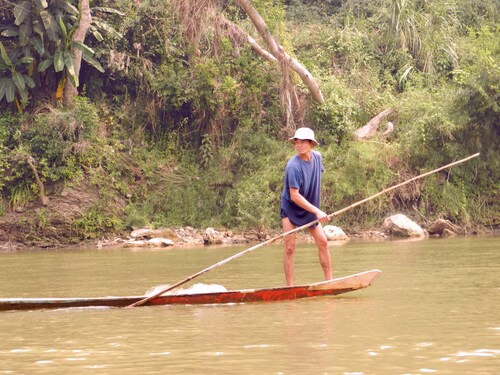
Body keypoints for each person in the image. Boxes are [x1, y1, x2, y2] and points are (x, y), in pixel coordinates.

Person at [280, 127, 332, 286]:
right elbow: (294, 196)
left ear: (311, 144)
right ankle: (290, 288)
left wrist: (314, 208)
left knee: (323, 241)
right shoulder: (293, 166)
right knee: (289, 248)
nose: (299, 145)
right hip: (291, 208)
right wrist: (316, 210)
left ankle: (330, 282)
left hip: (309, 208)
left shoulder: (318, 158)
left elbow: (314, 179)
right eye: (297, 142)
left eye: (303, 142)